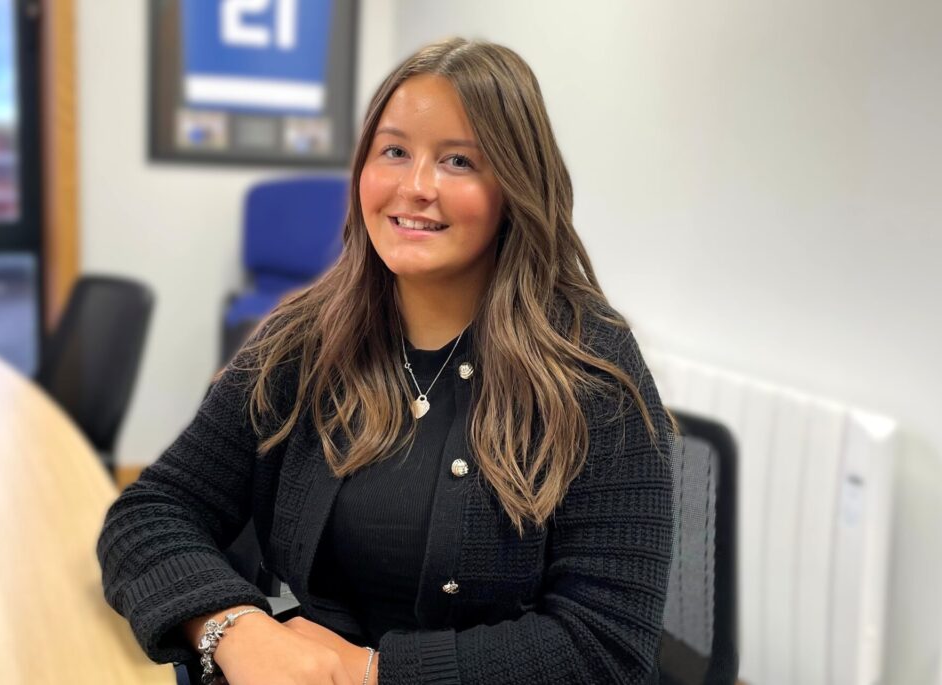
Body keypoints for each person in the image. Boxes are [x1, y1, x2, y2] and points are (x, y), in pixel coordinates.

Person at [98, 38, 674, 685]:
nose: (415, 187)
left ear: (514, 185)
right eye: (394, 151)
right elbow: (152, 510)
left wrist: (370, 670)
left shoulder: (589, 364)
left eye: (458, 160)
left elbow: (606, 642)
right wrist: (235, 627)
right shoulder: (301, 338)